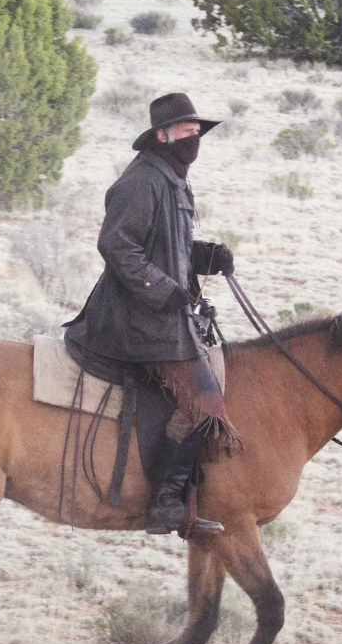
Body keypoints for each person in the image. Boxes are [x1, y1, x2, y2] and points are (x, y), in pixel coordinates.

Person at [64, 93, 240, 537]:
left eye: (197, 130)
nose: (194, 137)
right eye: (185, 130)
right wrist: (165, 292)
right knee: (205, 405)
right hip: (132, 320)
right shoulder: (141, 181)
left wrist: (206, 256)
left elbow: (166, 247)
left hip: (158, 315)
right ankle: (165, 505)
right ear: (161, 136)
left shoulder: (172, 179)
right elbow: (118, 247)